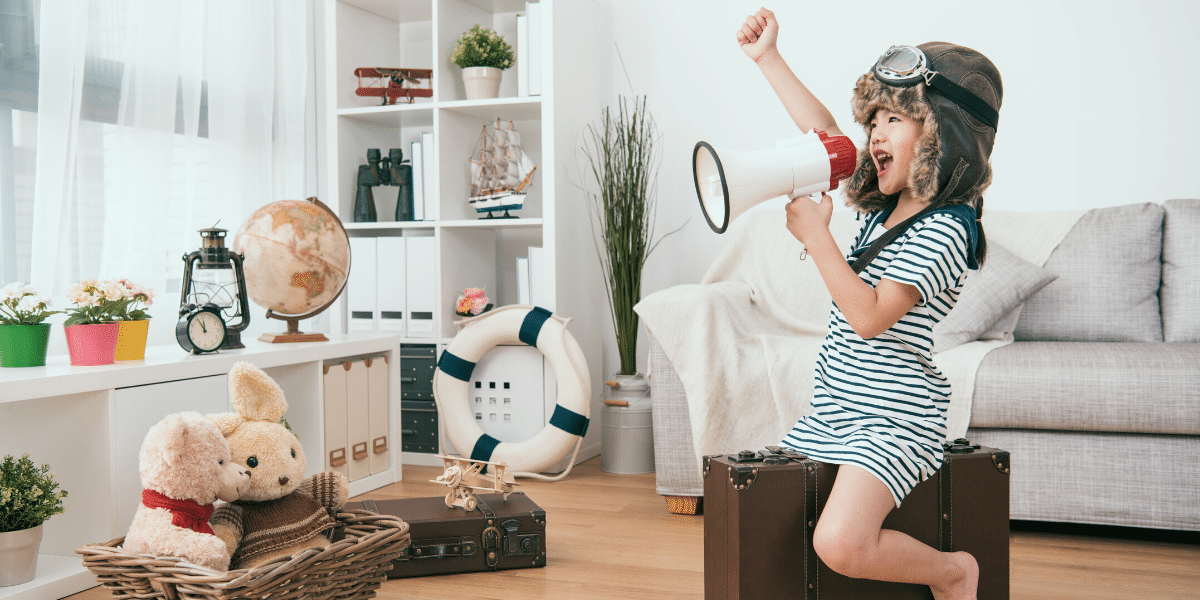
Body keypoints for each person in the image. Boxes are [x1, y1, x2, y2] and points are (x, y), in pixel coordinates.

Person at [737, 7, 1002, 600]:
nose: (875, 134)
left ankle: (955, 571)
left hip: (894, 419)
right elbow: (825, 135)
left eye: (896, 120)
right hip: (836, 407)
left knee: (839, 544)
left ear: (943, 138)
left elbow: (868, 316)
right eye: (874, 118)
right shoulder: (884, 208)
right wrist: (769, 60)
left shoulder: (948, 229)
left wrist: (816, 236)